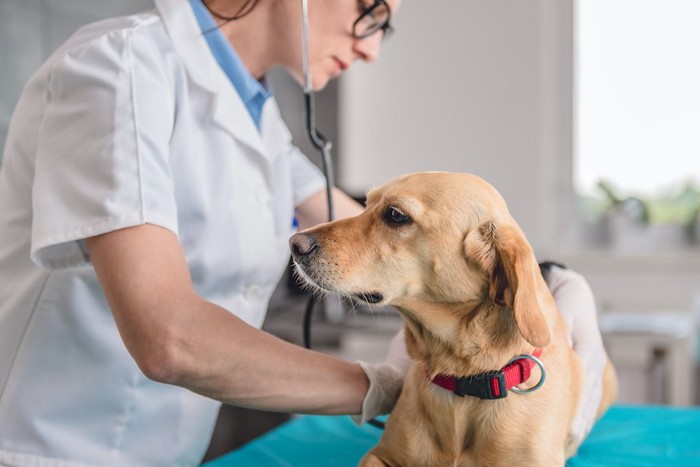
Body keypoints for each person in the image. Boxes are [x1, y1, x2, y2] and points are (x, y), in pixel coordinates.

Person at [0, 0, 607, 465]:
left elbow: (394, 235)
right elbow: (169, 338)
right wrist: (384, 386)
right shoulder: (121, 69)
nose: (371, 50)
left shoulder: (260, 122)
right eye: (373, 15)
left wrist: (550, 283)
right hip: (52, 446)